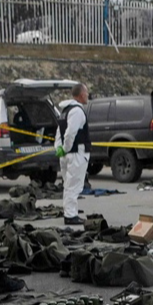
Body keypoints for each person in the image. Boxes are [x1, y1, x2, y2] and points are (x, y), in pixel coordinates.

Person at [55, 83, 90, 226]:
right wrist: (66, 148)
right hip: (76, 153)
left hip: (66, 154)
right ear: (81, 95)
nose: (88, 96)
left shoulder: (65, 111)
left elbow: (59, 132)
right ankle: (70, 215)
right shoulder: (77, 111)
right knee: (74, 185)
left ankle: (71, 210)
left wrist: (59, 148)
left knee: (68, 184)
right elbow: (70, 132)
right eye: (86, 93)